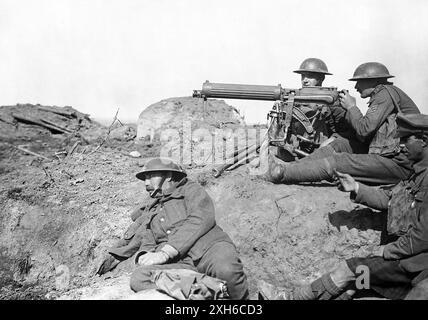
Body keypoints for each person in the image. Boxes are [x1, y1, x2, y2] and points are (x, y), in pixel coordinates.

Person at [258, 113, 428, 300]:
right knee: (356, 287)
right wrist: (355, 187)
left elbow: (423, 235)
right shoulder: (417, 174)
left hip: (415, 265)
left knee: (349, 269)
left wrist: (389, 251)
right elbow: (391, 200)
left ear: (424, 141)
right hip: (406, 259)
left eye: (406, 139)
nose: (400, 145)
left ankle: (290, 298)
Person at [97, 157, 249, 300]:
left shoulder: (190, 190)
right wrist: (145, 256)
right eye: (144, 178)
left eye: (150, 176)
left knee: (227, 270)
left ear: (168, 175)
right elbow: (149, 240)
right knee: (139, 278)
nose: (145, 183)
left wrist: (166, 252)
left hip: (210, 250)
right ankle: (209, 288)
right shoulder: (153, 209)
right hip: (184, 264)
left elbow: (200, 218)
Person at [265, 62, 420, 185]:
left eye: (359, 82)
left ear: (373, 81)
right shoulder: (384, 95)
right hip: (388, 154)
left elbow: (364, 130)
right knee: (339, 145)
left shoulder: (385, 93)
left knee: (340, 162)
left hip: (402, 161)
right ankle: (289, 168)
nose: (356, 87)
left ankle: (282, 174)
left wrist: (352, 107)